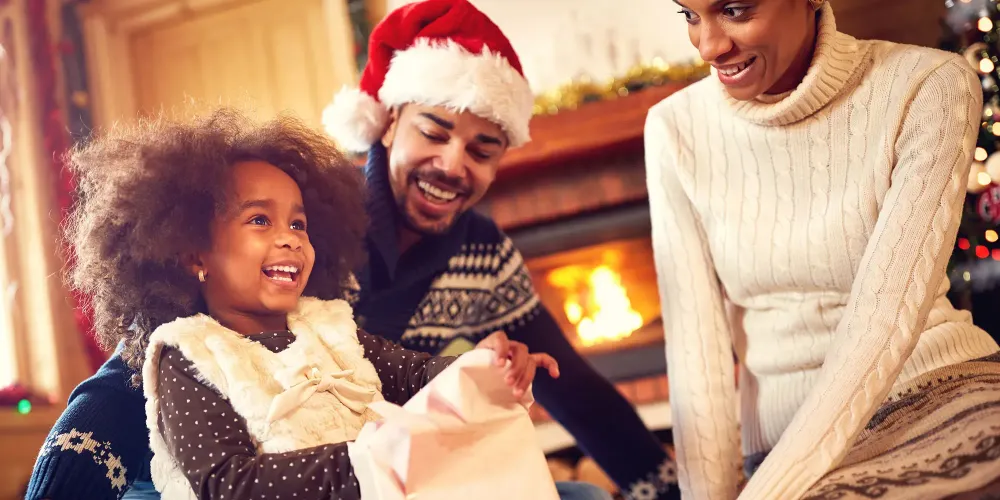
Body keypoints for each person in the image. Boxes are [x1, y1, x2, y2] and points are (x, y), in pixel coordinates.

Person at [26, 1, 674, 499]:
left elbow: (573, 393)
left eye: (483, 149)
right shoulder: (305, 229)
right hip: (228, 465)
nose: (453, 164)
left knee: (578, 493)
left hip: (382, 473)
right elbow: (162, 351)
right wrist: (73, 461)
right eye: (435, 131)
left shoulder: (482, 255)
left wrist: (672, 490)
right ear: (389, 120)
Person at [54, 107, 611, 500]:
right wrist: (367, 459)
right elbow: (227, 485)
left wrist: (488, 366)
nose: (291, 236)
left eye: (298, 222)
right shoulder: (186, 354)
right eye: (259, 220)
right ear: (191, 252)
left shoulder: (329, 325)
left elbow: (416, 373)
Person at [644, 0, 1000, 498]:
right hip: (785, 438)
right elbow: (693, 349)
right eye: (688, 15)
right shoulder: (674, 129)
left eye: (736, 10)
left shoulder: (928, 84)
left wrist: (767, 492)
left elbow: (883, 321)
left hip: (941, 387)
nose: (709, 46)